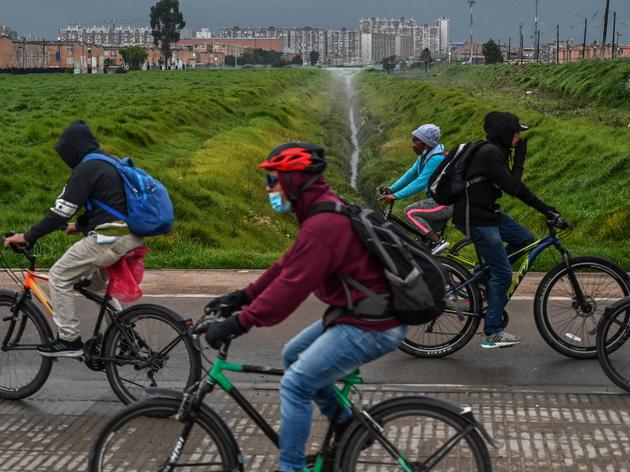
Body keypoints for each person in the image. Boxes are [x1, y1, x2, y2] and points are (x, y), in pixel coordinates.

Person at [202, 142, 407, 472]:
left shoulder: (324, 224)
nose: (271, 187)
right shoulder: (319, 211)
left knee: (294, 383)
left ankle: (290, 468)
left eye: (274, 179)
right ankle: (345, 422)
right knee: (292, 355)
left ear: (294, 180)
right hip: (358, 315)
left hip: (372, 325)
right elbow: (286, 266)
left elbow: (290, 289)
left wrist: (240, 322)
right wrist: (243, 295)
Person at [3, 120, 143, 357]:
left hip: (109, 237)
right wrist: (78, 226)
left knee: (59, 276)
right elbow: (109, 204)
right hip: (129, 234)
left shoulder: (86, 169)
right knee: (95, 287)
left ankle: (69, 339)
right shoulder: (108, 162)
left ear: (74, 148)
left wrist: (27, 236)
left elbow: (60, 212)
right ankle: (127, 338)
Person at [452, 111, 561, 349]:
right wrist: (521, 158)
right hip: (476, 218)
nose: (519, 137)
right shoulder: (490, 153)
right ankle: (492, 332)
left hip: (487, 213)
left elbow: (518, 189)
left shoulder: (495, 153)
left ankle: (483, 274)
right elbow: (513, 187)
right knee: (503, 274)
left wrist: (547, 210)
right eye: (516, 132)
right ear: (505, 133)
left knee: (526, 238)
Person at [379, 123, 451, 253]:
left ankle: (438, 242)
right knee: (422, 238)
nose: (412, 145)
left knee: (410, 212)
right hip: (437, 200)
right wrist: (392, 189)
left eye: (415, 142)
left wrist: (396, 196)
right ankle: (432, 250)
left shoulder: (436, 159)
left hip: (445, 202)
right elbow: (410, 175)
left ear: (426, 144)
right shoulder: (425, 157)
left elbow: (420, 182)